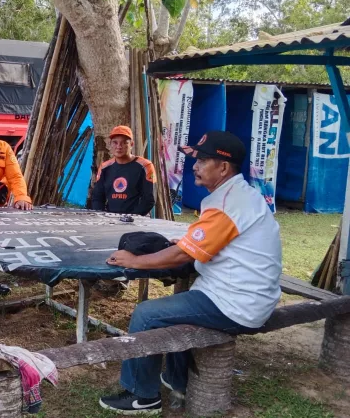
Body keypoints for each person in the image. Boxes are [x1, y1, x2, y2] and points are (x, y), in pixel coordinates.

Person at [98, 130, 282, 415]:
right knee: (178, 307)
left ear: (223, 167)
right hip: (245, 295)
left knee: (146, 314)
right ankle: (175, 378)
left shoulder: (227, 204)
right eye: (196, 159)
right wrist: (184, 244)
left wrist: (134, 260)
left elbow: (183, 255)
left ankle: (141, 396)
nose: (195, 166)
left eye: (203, 160)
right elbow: (203, 242)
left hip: (237, 303)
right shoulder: (239, 195)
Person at [91, 125, 156, 216]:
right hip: (109, 219)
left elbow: (149, 200)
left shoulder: (145, 166)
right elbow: (97, 197)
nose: (119, 146)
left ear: (131, 144)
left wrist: (129, 218)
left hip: (137, 219)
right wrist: (102, 216)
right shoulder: (104, 167)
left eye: (124, 142)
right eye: (115, 142)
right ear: (110, 144)